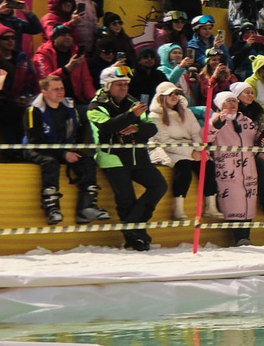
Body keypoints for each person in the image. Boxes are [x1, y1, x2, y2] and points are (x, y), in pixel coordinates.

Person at [86, 67, 165, 251]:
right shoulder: (95, 106)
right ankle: (136, 238)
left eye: (126, 84)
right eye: (119, 84)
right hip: (112, 157)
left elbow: (151, 128)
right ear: (107, 86)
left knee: (159, 185)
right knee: (126, 199)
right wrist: (132, 116)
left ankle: (131, 224)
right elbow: (108, 127)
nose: (123, 88)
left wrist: (137, 128)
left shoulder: (133, 103)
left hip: (137, 155)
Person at [25, 73, 107, 226]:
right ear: (44, 92)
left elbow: (79, 128)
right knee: (50, 162)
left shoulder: (69, 106)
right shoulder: (33, 110)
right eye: (55, 89)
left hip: (64, 148)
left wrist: (72, 149)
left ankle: (86, 208)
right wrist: (63, 154)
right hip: (37, 148)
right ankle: (51, 208)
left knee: (87, 162)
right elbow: (35, 141)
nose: (60, 92)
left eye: (62, 88)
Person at [204, 87, 264, 243]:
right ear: (220, 104)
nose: (233, 104)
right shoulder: (215, 121)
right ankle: (240, 238)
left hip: (248, 168)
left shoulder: (247, 121)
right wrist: (217, 124)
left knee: (248, 204)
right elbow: (205, 137)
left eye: (234, 101)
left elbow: (257, 138)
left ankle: (246, 238)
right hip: (228, 168)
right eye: (228, 101)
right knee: (234, 203)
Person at [148, 80, 204, 218]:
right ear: (161, 97)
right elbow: (165, 141)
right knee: (183, 167)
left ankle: (211, 205)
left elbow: (196, 133)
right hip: (166, 149)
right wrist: (191, 152)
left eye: (176, 93)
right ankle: (178, 208)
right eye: (170, 94)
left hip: (189, 147)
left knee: (207, 164)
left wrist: (199, 150)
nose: (174, 97)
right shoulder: (154, 116)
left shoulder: (187, 112)